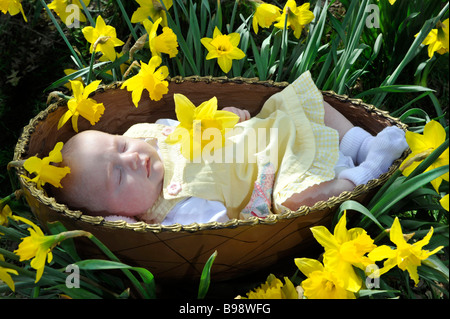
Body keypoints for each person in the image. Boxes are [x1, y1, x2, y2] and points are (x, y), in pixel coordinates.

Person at [52, 72, 408, 225]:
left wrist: (228, 118)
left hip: (264, 136)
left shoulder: (152, 133)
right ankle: (366, 170)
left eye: (120, 145)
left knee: (297, 103)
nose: (132, 157)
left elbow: (198, 126)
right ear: (117, 215)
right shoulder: (174, 214)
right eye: (117, 174)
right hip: (276, 178)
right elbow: (224, 229)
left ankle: (362, 144)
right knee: (300, 201)